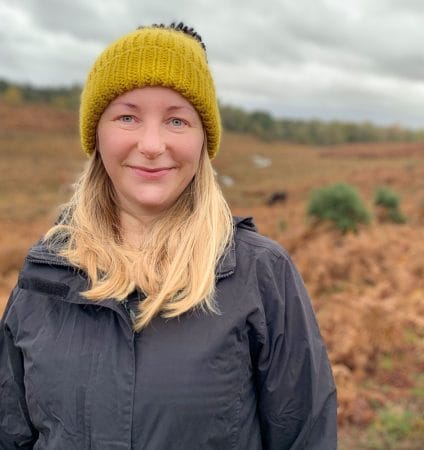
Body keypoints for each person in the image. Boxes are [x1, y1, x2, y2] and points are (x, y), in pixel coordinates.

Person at [0, 22, 337, 449]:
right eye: (127, 116)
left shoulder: (262, 274)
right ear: (96, 135)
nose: (153, 143)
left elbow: (305, 435)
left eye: (177, 120)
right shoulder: (43, 277)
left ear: (203, 140)